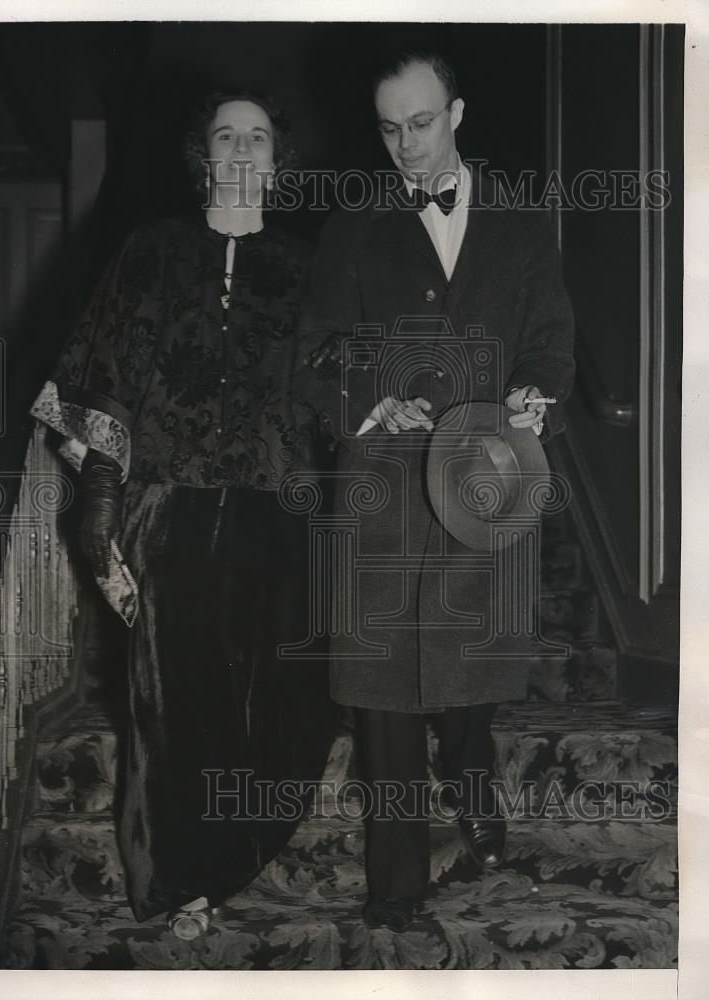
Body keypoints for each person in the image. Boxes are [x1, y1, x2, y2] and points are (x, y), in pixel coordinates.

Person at [30, 91, 334, 939]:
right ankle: (175, 883)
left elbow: (335, 403)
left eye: (259, 137)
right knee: (172, 707)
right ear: (202, 153)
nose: (240, 149)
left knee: (280, 702)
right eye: (224, 135)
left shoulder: (311, 267)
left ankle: (238, 852)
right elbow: (106, 389)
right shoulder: (149, 252)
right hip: (168, 508)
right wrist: (99, 523)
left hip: (281, 511)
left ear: (280, 160)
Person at [296, 51, 575, 932]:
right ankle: (395, 896)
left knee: (463, 676)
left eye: (421, 123)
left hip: (484, 478)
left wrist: (536, 395)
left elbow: (551, 342)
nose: (406, 146)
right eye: (388, 128)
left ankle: (470, 772)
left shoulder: (523, 223)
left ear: (455, 113)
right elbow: (317, 350)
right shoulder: (352, 224)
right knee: (382, 685)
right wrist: (366, 393)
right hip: (380, 483)